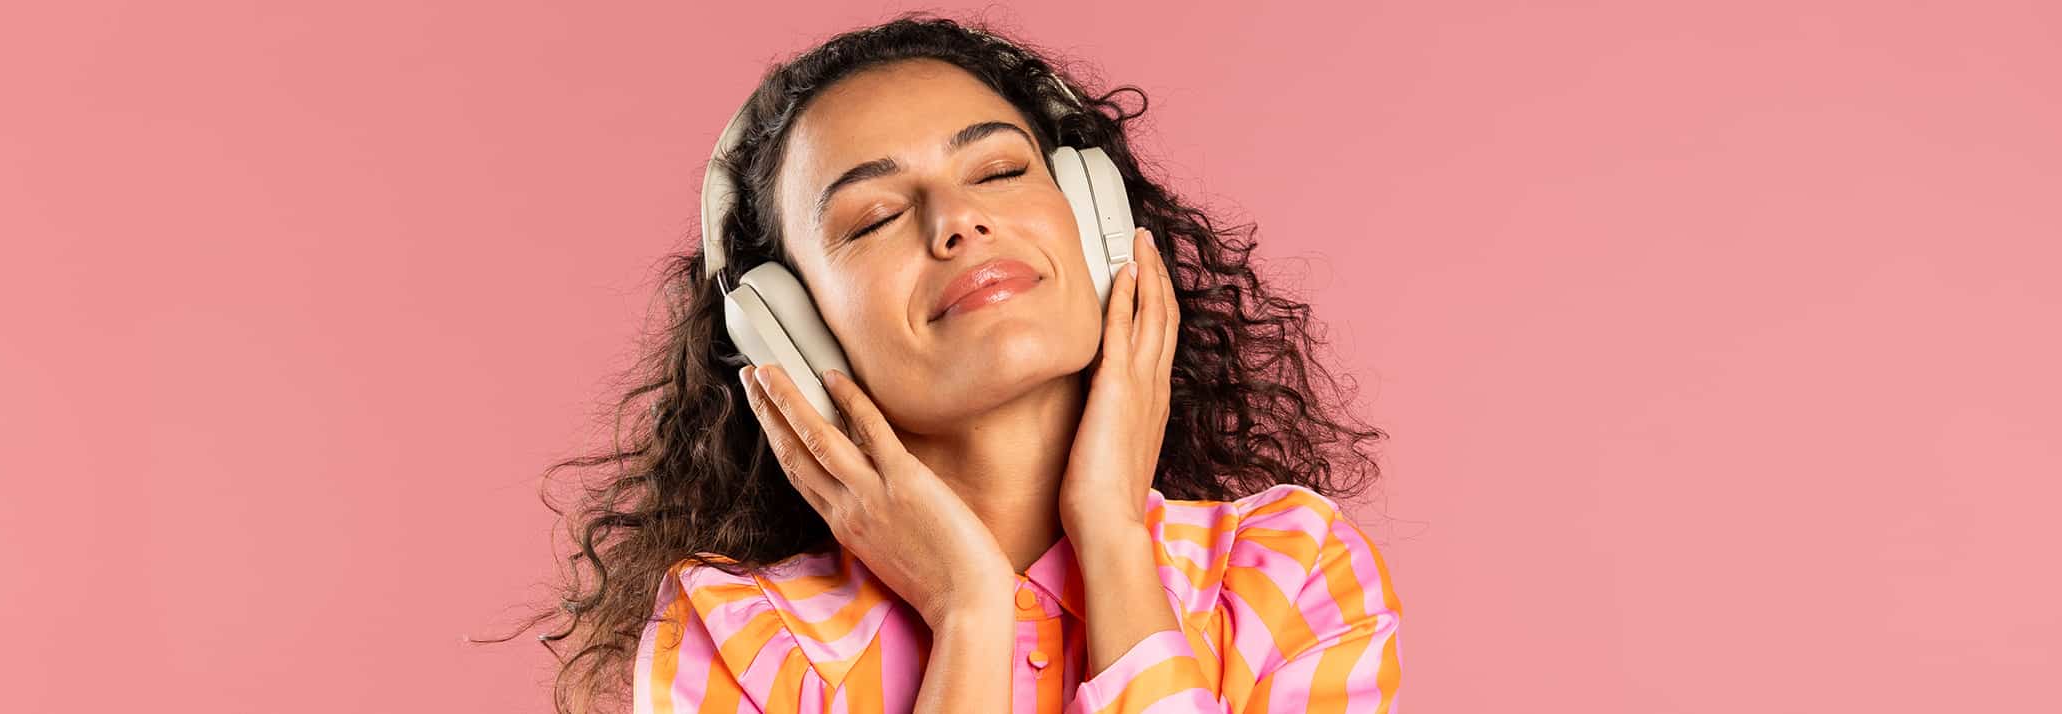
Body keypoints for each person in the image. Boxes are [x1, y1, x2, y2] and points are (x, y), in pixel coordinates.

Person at [508, 13, 1399, 714]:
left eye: (1001, 170)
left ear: (1095, 220)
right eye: (871, 217)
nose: (957, 222)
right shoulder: (738, 636)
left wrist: (1113, 540)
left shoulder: (1286, 570)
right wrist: (969, 614)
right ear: (792, 329)